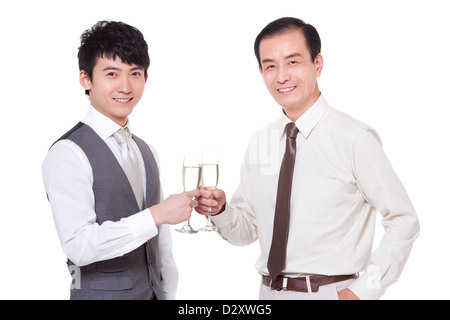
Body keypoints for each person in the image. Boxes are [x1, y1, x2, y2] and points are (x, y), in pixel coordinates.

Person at [195, 17, 420, 300]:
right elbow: (246, 231)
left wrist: (362, 292)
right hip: (266, 294)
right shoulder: (261, 143)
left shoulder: (354, 138)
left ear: (317, 64)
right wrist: (221, 210)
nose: (281, 76)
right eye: (270, 66)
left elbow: (403, 219)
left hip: (329, 294)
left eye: (293, 62)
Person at [42, 20, 199, 300]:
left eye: (135, 73)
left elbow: (160, 243)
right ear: (86, 79)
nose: (125, 87)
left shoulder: (146, 150)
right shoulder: (67, 152)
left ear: (145, 78)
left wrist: (168, 292)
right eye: (112, 73)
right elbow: (78, 245)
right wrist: (157, 214)